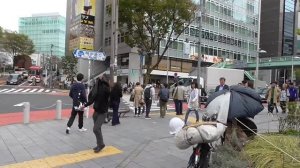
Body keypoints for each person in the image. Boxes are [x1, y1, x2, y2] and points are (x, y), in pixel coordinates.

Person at [84, 75, 110, 153]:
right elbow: (92, 99)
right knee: (97, 129)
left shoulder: (106, 88)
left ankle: (101, 144)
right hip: (96, 112)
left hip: (102, 112)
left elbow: (108, 94)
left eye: (100, 78)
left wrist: (103, 82)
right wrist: (84, 106)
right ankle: (100, 144)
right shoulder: (96, 88)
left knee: (95, 129)